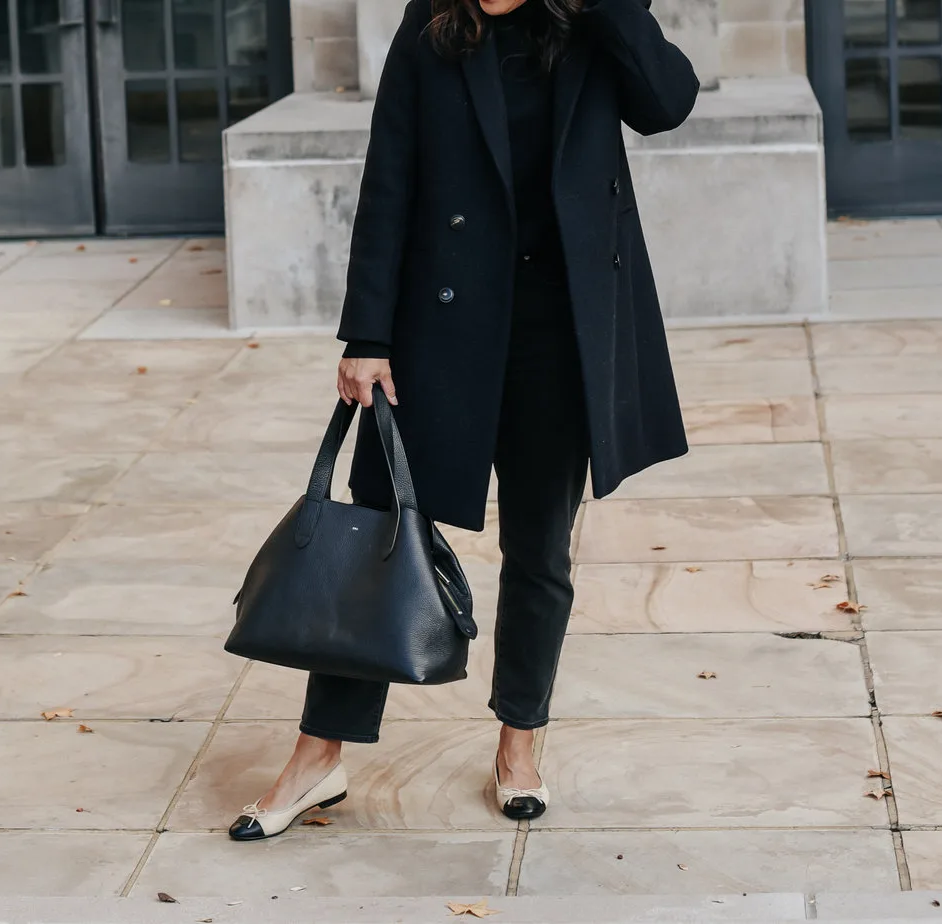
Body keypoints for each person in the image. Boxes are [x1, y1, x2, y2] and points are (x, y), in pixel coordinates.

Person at [229, 0, 699, 840]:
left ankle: (519, 744)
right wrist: (367, 335)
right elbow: (390, 174)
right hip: (440, 328)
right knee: (377, 538)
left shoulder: (589, 21)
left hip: (562, 330)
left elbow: (665, 103)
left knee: (539, 550)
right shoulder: (434, 22)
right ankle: (319, 754)